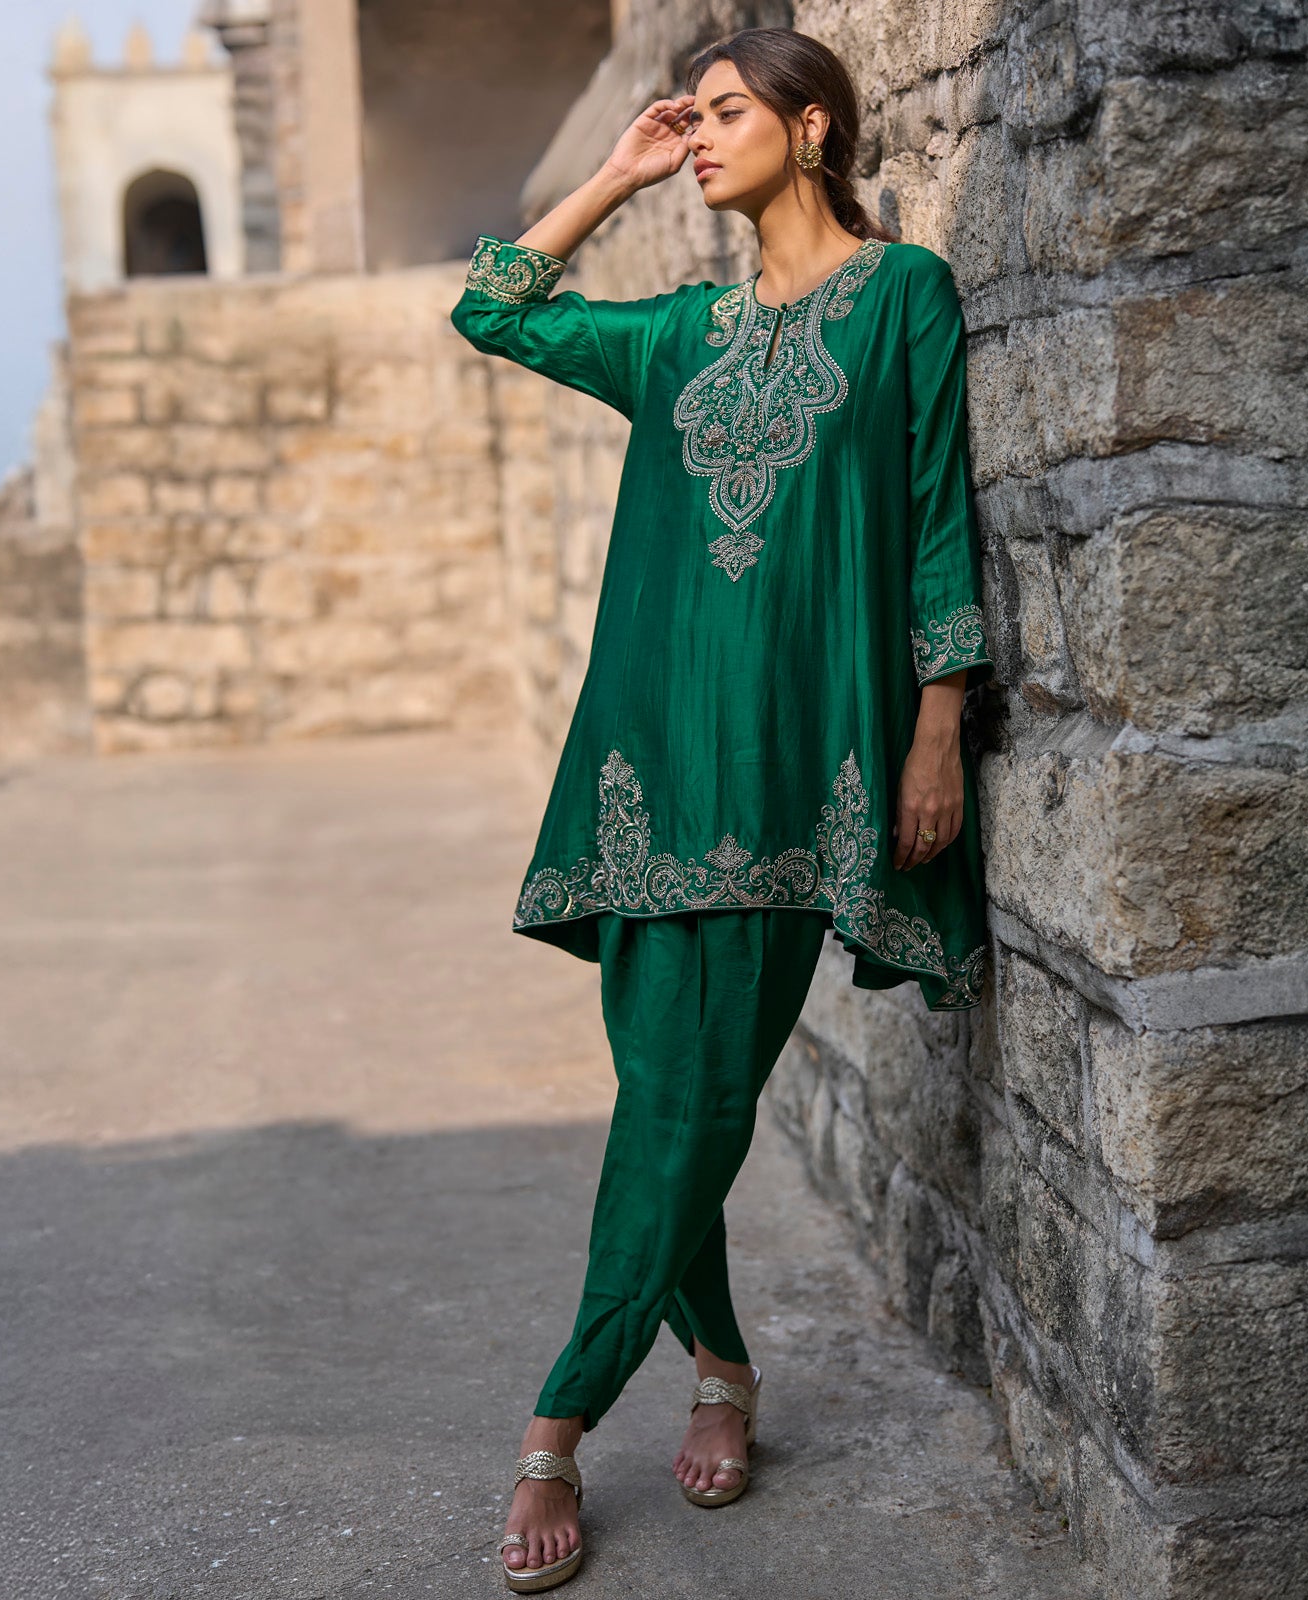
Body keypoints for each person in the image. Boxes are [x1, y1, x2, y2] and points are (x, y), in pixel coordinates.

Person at [449, 24, 994, 1593]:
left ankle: (557, 1419)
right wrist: (616, 177)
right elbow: (493, 308)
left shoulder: (902, 299)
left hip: (793, 775)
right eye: (685, 122)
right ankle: (724, 1371)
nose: (696, 139)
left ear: (813, 128)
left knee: (685, 1109)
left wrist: (938, 726)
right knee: (667, 1102)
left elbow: (935, 518)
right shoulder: (681, 333)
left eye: (725, 114)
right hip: (648, 770)